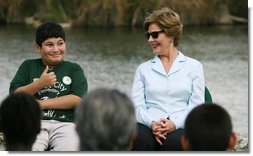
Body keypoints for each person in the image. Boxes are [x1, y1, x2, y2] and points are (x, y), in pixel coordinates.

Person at [131, 7, 205, 151]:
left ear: (171, 34)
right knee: (139, 138)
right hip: (148, 126)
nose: (150, 40)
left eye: (155, 35)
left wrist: (174, 124)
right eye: (148, 36)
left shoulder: (194, 66)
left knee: (174, 143)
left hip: (181, 125)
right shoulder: (143, 69)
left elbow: (196, 106)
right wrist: (153, 124)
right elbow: (137, 106)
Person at [9, 21, 88, 151]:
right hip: (34, 122)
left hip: (66, 123)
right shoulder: (28, 66)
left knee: (70, 148)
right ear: (38, 47)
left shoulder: (74, 69)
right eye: (49, 45)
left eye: (60, 43)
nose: (56, 49)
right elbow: (15, 96)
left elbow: (77, 98)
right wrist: (39, 84)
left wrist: (40, 104)